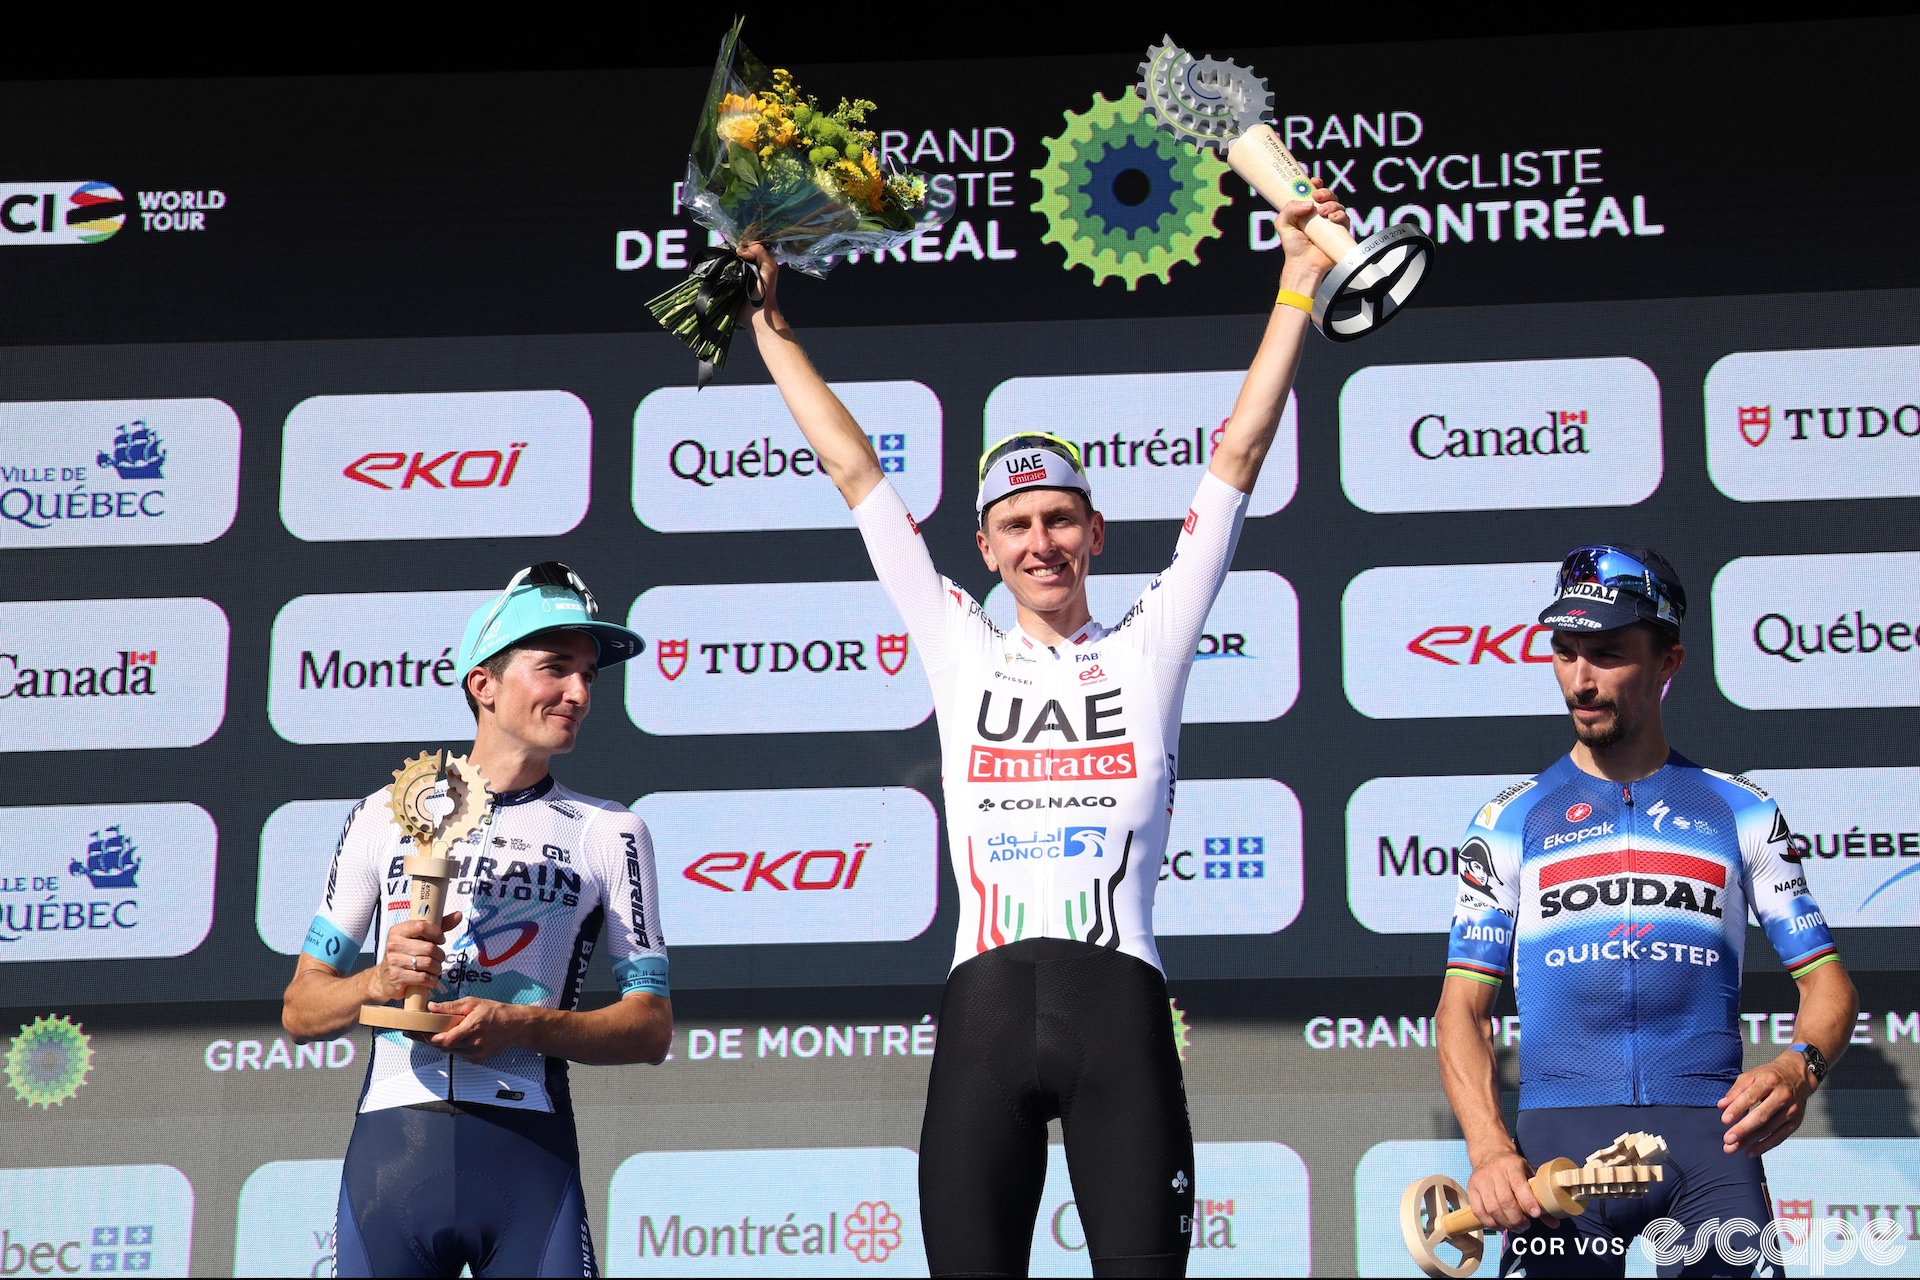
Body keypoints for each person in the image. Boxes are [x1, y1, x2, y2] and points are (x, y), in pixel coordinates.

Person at [737, 178, 1347, 1278]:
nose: (1042, 541)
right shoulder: (958, 640)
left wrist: (1298, 284)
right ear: (985, 547)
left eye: (1060, 517)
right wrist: (770, 328)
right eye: (1016, 523)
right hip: (981, 1015)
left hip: (1121, 1011)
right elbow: (855, 470)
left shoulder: (1150, 639)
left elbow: (1239, 457)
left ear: (1096, 529)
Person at [1435, 545, 1859, 1278]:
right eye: (1565, 654)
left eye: (1606, 654)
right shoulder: (1508, 819)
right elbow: (1461, 1011)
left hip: (1710, 1148)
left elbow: (1828, 985)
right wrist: (1489, 1150)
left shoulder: (1741, 810)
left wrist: (1799, 1067)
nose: (1581, 680)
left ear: (1669, 662)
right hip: (1559, 1158)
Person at [282, 562, 672, 1278]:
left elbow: (650, 1027)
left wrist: (523, 1026)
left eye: (589, 675)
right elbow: (302, 1008)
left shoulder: (610, 831)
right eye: (556, 668)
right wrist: (376, 980)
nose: (580, 694)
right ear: (482, 684)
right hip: (391, 1165)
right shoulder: (381, 813)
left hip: (529, 1164)